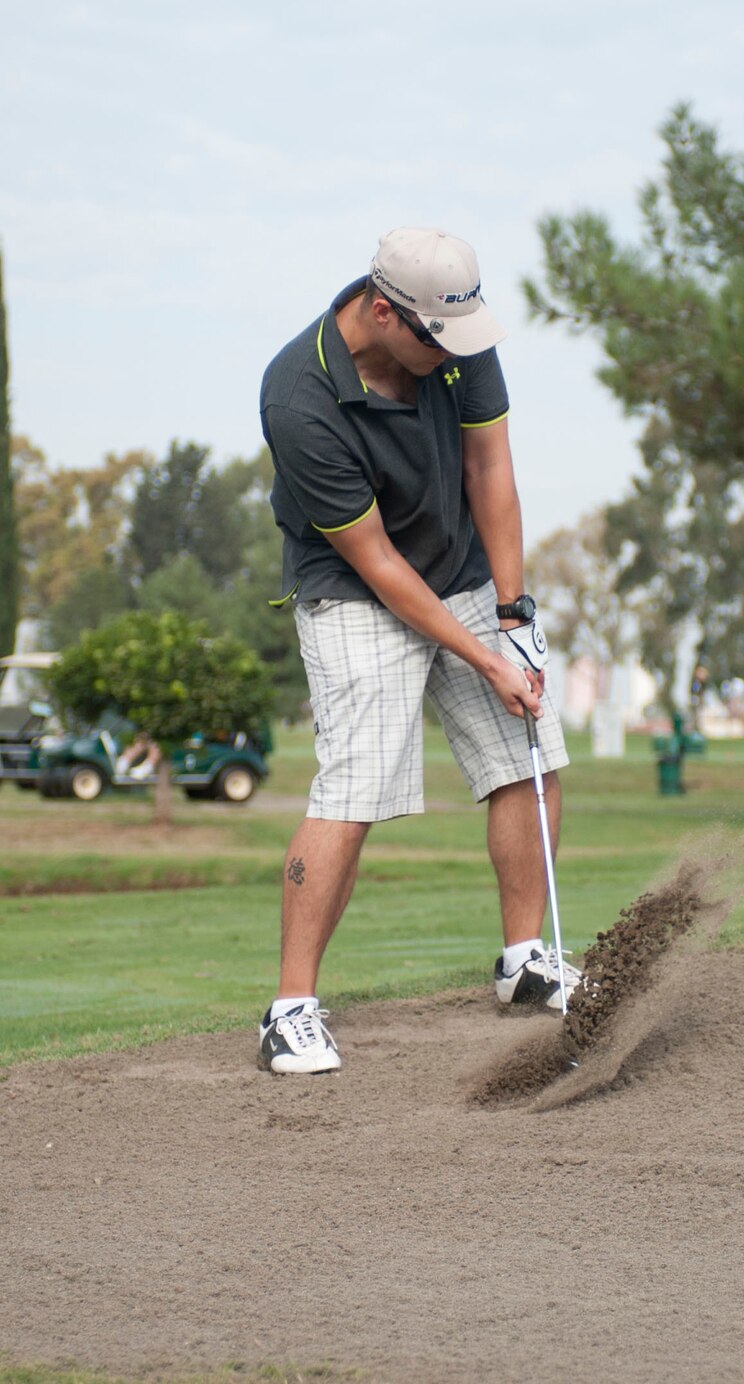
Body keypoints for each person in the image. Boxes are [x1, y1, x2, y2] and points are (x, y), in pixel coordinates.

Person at [255, 227, 574, 1076]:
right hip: (356, 588)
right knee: (356, 787)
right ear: (384, 312)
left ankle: (524, 964)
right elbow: (379, 565)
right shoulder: (298, 396)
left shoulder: (457, 338)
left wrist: (512, 616)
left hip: (460, 565)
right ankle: (289, 1011)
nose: (453, 355)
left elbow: (489, 468)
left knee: (530, 755)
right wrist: (484, 659)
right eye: (436, 341)